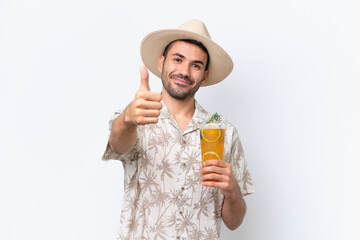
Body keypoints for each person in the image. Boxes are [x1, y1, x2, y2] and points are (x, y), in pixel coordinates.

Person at [102, 19, 254, 240]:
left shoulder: (225, 132)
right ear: (161, 62)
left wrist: (232, 192)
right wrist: (128, 119)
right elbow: (118, 143)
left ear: (204, 75)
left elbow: (234, 223)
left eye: (195, 65)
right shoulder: (138, 116)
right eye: (178, 59)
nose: (184, 71)